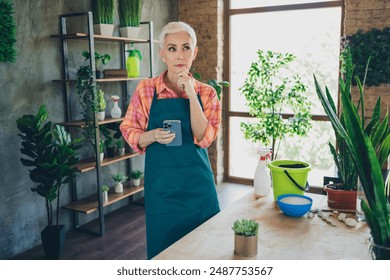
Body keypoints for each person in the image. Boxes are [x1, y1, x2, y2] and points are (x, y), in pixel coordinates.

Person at [120, 21, 221, 259]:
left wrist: (191, 93)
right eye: (172, 48)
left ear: (194, 52)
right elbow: (128, 130)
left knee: (205, 253)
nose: (180, 55)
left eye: (186, 48)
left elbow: (204, 138)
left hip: (199, 190)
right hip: (162, 191)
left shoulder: (207, 93)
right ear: (162, 53)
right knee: (163, 257)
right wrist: (151, 135)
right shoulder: (146, 89)